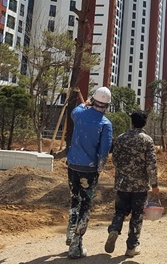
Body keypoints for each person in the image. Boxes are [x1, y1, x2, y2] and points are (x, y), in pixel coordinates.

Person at [66, 86, 113, 259]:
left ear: (93, 100)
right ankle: (75, 246)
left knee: (74, 200)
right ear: (107, 105)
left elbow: (75, 111)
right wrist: (100, 167)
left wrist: (84, 104)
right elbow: (104, 151)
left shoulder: (79, 114)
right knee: (85, 205)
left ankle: (70, 235)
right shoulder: (105, 124)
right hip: (89, 169)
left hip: (73, 164)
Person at [105, 109, 159, 257]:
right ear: (144, 124)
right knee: (137, 215)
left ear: (132, 122)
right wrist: (154, 184)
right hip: (140, 187)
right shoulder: (147, 140)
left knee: (120, 211)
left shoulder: (121, 138)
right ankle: (131, 247)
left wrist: (124, 172)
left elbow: (115, 160)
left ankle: (114, 229)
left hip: (122, 183)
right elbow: (151, 165)